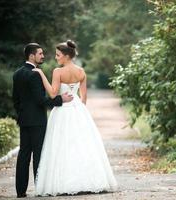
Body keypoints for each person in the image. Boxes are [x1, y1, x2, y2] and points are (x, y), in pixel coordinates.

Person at [33, 40, 117, 196]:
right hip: (78, 109)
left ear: (65, 56)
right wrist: (80, 111)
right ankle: (88, 179)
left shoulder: (58, 72)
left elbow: (52, 93)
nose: (56, 57)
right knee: (82, 144)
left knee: (62, 145)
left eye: (58, 55)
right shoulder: (81, 71)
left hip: (63, 110)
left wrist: (41, 74)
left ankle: (64, 181)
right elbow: (84, 96)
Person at [12, 43, 73, 198]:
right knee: (39, 154)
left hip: (24, 120)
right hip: (37, 121)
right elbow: (41, 100)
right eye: (40, 53)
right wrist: (61, 99)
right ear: (32, 55)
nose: (43, 56)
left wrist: (21, 114)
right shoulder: (35, 74)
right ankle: (40, 188)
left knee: (24, 154)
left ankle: (20, 191)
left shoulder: (17, 73)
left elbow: (15, 100)